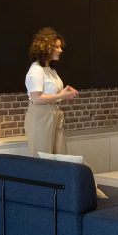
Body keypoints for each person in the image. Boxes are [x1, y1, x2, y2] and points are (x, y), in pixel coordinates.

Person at [24, 27, 78, 156]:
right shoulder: (36, 70)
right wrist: (61, 95)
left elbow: (52, 94)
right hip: (41, 115)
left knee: (60, 156)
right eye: (57, 47)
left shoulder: (50, 69)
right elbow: (36, 98)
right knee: (42, 157)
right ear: (46, 48)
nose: (61, 50)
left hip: (54, 113)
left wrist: (63, 93)